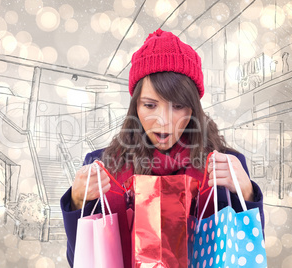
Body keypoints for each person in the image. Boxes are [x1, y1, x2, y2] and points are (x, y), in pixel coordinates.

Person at [61, 29, 264, 268]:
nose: (164, 121)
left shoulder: (223, 165)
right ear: (135, 106)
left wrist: (248, 195)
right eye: (150, 105)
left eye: (178, 106)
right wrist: (77, 202)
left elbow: (246, 255)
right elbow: (80, 261)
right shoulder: (104, 166)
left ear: (193, 109)